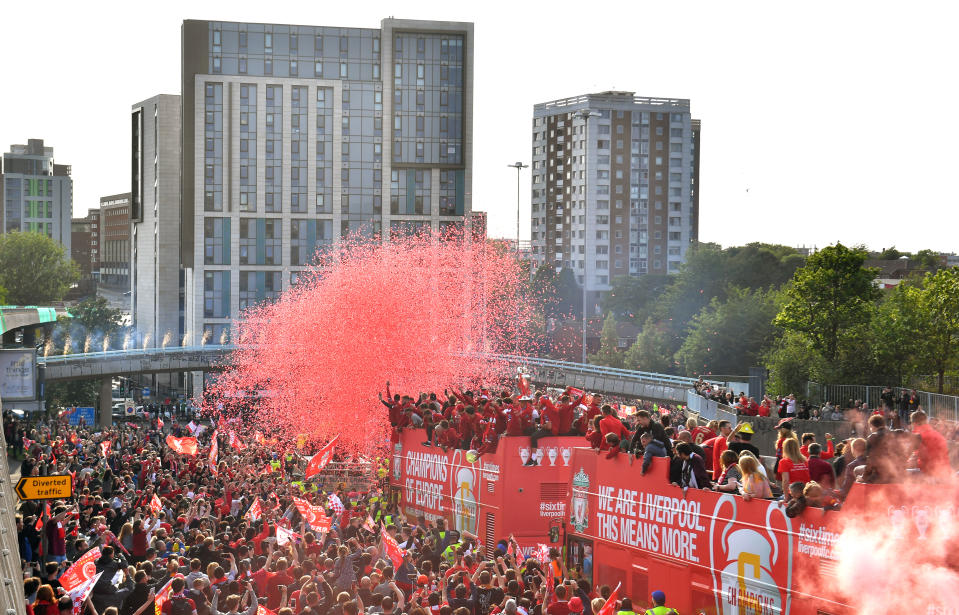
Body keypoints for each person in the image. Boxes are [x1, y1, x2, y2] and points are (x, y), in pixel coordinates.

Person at [911, 410, 951, 478]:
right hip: (946, 472)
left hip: (930, 474)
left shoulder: (919, 435)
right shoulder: (935, 433)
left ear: (914, 423)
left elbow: (921, 457)